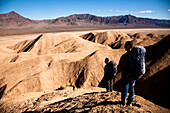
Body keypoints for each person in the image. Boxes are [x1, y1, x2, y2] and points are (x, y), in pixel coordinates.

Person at [118, 41, 135, 106]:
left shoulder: (124, 56)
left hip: (126, 74)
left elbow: (120, 66)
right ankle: (130, 102)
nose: (124, 47)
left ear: (128, 46)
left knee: (125, 88)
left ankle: (124, 102)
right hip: (133, 75)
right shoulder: (134, 56)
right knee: (131, 88)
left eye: (125, 45)